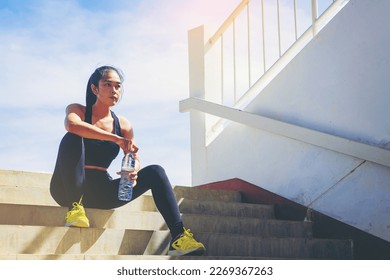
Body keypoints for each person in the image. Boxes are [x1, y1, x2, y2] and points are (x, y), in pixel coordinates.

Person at [50, 65, 206, 256]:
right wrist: (114, 138)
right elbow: (72, 125)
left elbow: (133, 156)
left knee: (156, 171)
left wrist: (133, 170)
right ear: (94, 89)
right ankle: (75, 208)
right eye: (108, 85)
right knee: (72, 137)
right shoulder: (78, 111)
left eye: (118, 86)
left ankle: (179, 237)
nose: (114, 90)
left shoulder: (123, 124)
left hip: (101, 191)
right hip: (67, 188)